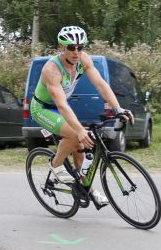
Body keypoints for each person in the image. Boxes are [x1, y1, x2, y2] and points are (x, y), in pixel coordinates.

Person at [29, 25, 132, 204]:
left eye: (80, 47)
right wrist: (79, 130)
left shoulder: (83, 60)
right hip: (42, 108)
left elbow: (101, 84)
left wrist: (118, 108)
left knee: (79, 147)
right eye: (71, 47)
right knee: (75, 134)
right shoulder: (51, 70)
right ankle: (56, 165)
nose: (76, 52)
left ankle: (87, 190)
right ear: (62, 48)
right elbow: (62, 105)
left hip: (60, 107)